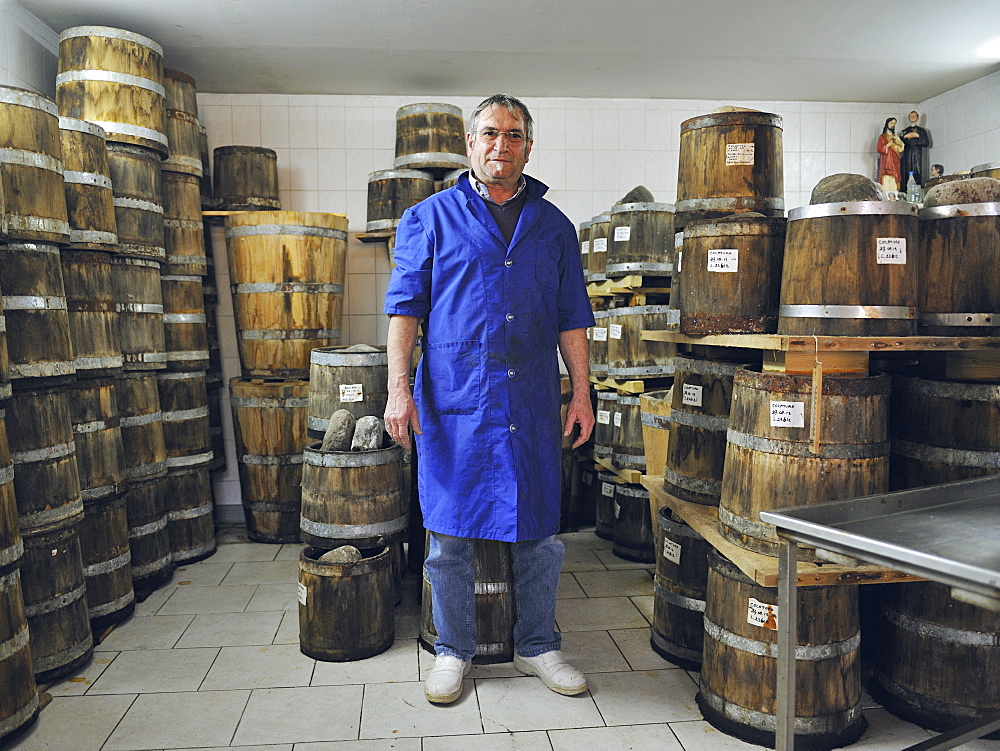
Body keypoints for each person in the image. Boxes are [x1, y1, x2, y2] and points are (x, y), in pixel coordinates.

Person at [382, 94, 596, 705]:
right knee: (449, 538)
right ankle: (452, 651)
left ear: (529, 145)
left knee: (538, 535)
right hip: (455, 402)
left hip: (528, 402)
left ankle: (537, 644)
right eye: (488, 134)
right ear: (470, 145)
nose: (500, 144)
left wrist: (582, 392)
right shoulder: (428, 218)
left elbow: (571, 318)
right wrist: (399, 391)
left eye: (514, 134)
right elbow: (403, 313)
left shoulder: (554, 227)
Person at [899, 110, 930, 186]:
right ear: (909, 118)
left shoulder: (921, 131)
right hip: (907, 153)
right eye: (911, 116)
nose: (913, 117)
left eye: (914, 116)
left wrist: (918, 136)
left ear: (917, 118)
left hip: (917, 153)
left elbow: (926, 143)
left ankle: (918, 187)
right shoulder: (905, 131)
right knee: (907, 170)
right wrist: (905, 137)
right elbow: (899, 143)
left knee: (917, 169)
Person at [877, 117, 905, 192]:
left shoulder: (896, 137)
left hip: (894, 161)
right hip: (886, 161)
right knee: (885, 178)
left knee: (894, 177)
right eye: (891, 123)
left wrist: (900, 143)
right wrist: (888, 145)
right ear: (887, 124)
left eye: (894, 124)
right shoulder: (882, 137)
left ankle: (894, 195)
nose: (893, 125)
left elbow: (900, 149)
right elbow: (879, 149)